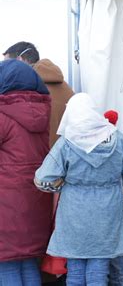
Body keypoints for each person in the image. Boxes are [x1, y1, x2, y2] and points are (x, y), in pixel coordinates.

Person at [34, 93, 123, 285]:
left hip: (74, 211)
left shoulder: (66, 143)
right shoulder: (118, 139)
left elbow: (43, 177)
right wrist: (116, 179)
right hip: (108, 211)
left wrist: (61, 183)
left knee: (75, 273)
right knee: (99, 270)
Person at [0, 59, 52, 284]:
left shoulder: (3, 114)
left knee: (6, 264)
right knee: (28, 261)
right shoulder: (43, 112)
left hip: (6, 201)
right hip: (36, 197)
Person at [3, 41, 74, 148]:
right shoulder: (66, 88)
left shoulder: (27, 92)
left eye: (7, 65)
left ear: (20, 60)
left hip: (45, 159)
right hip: (67, 158)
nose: (5, 71)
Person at [103, 110, 123, 286]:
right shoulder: (121, 145)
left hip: (104, 223)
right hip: (121, 221)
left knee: (101, 270)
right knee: (120, 272)